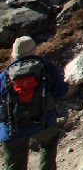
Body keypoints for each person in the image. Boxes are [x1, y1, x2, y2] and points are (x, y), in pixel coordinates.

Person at [0, 37, 67, 170]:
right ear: (34, 50)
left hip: (13, 128)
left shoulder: (5, 75)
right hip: (44, 121)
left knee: (14, 163)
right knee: (48, 144)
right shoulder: (46, 68)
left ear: (14, 54)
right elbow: (61, 91)